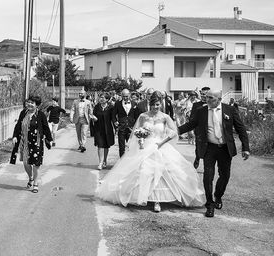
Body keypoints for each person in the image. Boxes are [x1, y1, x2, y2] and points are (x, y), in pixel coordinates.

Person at [95, 91, 205, 212]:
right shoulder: (143, 116)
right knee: (144, 171)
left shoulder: (165, 117)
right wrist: (140, 140)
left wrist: (162, 143)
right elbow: (138, 131)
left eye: (157, 104)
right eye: (153, 105)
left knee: (161, 171)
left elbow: (174, 133)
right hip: (145, 147)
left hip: (161, 146)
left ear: (160, 105)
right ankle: (143, 196)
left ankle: (158, 200)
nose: (155, 107)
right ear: (149, 105)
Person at [177, 89, 250, 217]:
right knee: (208, 177)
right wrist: (175, 131)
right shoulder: (201, 111)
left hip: (225, 148)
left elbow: (241, 128)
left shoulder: (230, 110)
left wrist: (246, 147)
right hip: (209, 148)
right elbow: (191, 124)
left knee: (225, 175)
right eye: (207, 97)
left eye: (211, 98)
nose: (207, 100)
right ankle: (209, 204)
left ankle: (218, 195)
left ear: (219, 99)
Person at [10, 95, 53, 193]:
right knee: (26, 163)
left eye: (32, 103)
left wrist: (49, 139)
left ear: (37, 105)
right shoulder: (23, 113)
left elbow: (46, 127)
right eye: (28, 102)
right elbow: (18, 125)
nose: (29, 104)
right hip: (24, 142)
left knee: (36, 164)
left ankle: (36, 183)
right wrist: (15, 136)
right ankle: (31, 178)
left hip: (36, 142)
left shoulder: (40, 115)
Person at [90, 92, 115, 169]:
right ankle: (100, 162)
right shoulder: (97, 107)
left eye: (103, 97)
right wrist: (94, 118)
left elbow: (113, 118)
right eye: (100, 97)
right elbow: (93, 115)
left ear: (107, 99)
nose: (101, 99)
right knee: (100, 146)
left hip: (108, 129)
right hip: (98, 129)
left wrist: (116, 126)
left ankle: (105, 160)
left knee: (106, 146)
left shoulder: (111, 107)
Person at [112, 88, 140, 157]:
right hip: (121, 128)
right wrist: (115, 122)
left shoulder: (134, 103)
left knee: (131, 146)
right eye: (123, 96)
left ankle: (129, 162)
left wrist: (136, 126)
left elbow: (137, 116)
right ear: (121, 96)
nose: (125, 98)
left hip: (131, 128)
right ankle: (121, 163)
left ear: (129, 95)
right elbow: (113, 115)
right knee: (122, 147)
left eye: (126, 96)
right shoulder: (117, 104)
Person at [190, 86, 210, 168]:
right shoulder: (196, 105)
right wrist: (191, 130)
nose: (203, 96)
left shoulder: (213, 104)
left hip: (210, 130)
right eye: (202, 94)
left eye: (206, 94)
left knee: (209, 149)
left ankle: (207, 165)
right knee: (198, 147)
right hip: (199, 131)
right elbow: (192, 118)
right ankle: (197, 157)